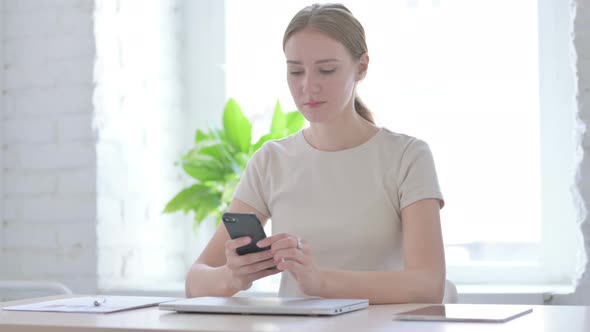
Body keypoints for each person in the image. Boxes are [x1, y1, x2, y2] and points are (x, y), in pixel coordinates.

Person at [185, 3, 446, 304]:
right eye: (295, 71)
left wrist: (320, 281)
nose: (308, 86)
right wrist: (233, 276)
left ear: (361, 67)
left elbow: (428, 283)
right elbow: (195, 281)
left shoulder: (407, 157)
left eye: (327, 70)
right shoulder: (271, 160)